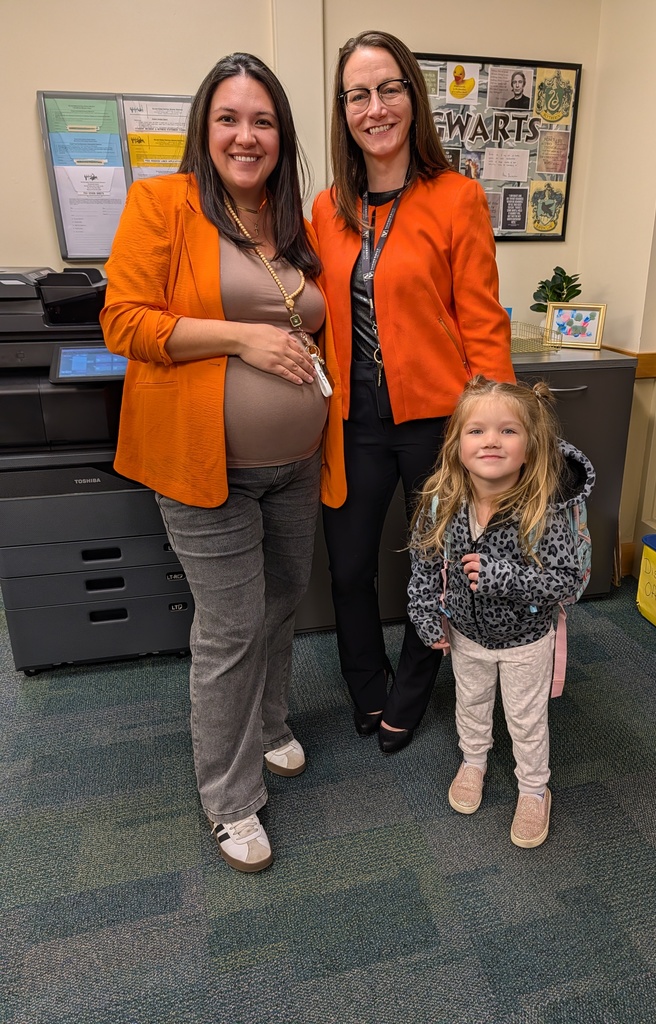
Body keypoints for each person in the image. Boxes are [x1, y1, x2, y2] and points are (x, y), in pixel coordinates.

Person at [100, 53, 345, 873]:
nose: (247, 135)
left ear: (282, 135)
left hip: (295, 461)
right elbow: (126, 322)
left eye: (263, 120)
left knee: (280, 605)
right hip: (206, 466)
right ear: (206, 129)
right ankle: (228, 799)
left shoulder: (294, 218)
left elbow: (315, 317)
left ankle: (271, 725)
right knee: (231, 628)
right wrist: (242, 338)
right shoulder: (162, 204)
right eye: (230, 119)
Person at [312, 30, 515, 755]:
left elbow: (483, 322)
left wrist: (497, 433)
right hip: (351, 422)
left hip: (437, 422)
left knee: (434, 570)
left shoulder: (455, 197)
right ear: (343, 111)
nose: (375, 107)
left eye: (389, 88)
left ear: (412, 97)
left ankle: (407, 693)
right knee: (349, 568)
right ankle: (364, 686)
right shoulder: (326, 209)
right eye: (359, 94)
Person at [407, 377, 595, 847]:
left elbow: (567, 579)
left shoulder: (543, 511)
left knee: (525, 719)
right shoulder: (442, 502)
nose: (491, 440)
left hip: (527, 641)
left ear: (531, 448)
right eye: (477, 431)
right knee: (470, 705)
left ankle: (534, 789)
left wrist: (502, 577)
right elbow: (425, 566)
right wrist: (427, 615)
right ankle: (473, 762)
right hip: (466, 635)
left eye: (508, 431)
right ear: (456, 446)